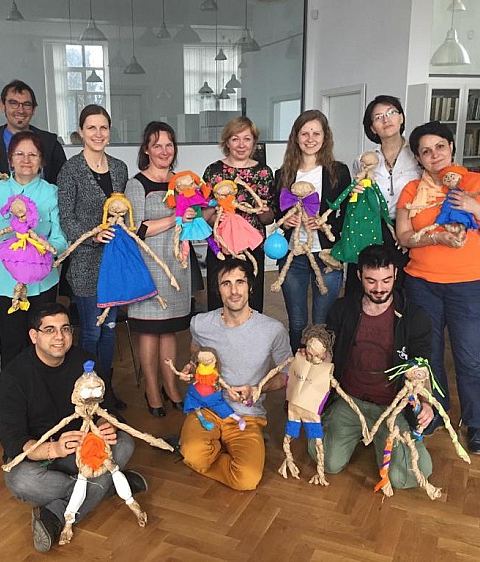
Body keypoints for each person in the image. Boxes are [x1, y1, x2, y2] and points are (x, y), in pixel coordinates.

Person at [0, 302, 146, 553]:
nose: (60, 337)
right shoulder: (13, 377)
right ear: (33, 336)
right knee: (19, 480)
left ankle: (55, 515)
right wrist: (54, 448)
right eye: (50, 330)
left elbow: (107, 407)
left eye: (65, 329)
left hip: (83, 449)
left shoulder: (86, 362)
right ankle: (109, 485)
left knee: (124, 443)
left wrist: (105, 424)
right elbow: (13, 441)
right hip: (42, 457)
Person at [396, 121, 480, 455]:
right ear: (418, 158)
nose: (435, 155)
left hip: (466, 287)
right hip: (421, 284)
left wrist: (477, 209)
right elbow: (403, 237)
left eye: (440, 147)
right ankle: (435, 412)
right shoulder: (412, 190)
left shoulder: (476, 183)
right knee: (428, 355)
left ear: (452, 147)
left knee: (468, 357)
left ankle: (474, 424)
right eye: (426, 151)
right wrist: (436, 237)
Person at [310, 244, 434, 488]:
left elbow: (422, 365)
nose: (379, 288)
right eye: (371, 281)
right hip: (349, 400)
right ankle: (355, 431)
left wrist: (425, 402)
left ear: (395, 274)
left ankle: (378, 435)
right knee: (328, 462)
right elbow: (327, 343)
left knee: (408, 476)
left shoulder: (414, 316)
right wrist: (317, 352)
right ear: (359, 276)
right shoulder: (343, 308)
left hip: (392, 407)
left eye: (386, 280)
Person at [179, 259, 291, 491]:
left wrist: (259, 389)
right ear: (217, 289)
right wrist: (192, 366)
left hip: (246, 415)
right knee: (192, 455)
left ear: (250, 286)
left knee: (247, 479)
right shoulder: (200, 323)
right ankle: (205, 447)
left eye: (240, 282)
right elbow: (195, 351)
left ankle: (213, 449)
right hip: (206, 408)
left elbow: (287, 374)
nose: (234, 291)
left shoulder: (272, 330)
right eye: (226, 284)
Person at [0, 130, 68, 370]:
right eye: (19, 154)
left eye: (33, 155)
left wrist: (47, 248)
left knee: (45, 347)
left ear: (41, 161)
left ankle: (43, 392)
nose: (26, 160)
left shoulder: (52, 192)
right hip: (3, 284)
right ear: (10, 159)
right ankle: (14, 393)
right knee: (12, 347)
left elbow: (60, 237)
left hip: (42, 283)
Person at [57, 104, 129, 408]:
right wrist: (92, 235)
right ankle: (88, 393)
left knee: (110, 330)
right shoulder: (70, 170)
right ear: (81, 132)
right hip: (86, 263)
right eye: (91, 128)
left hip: (113, 262)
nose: (98, 134)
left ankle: (106, 391)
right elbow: (66, 218)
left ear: (109, 131)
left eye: (103, 128)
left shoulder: (120, 168)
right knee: (91, 330)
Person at [125, 122, 190, 417]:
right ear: (147, 150)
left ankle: (171, 386)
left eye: (169, 145)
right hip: (149, 267)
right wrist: (176, 218)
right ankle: (152, 391)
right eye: (157, 145)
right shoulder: (136, 184)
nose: (164, 151)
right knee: (150, 332)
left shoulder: (182, 181)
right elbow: (135, 229)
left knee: (169, 332)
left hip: (177, 267)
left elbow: (192, 220)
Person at [274, 109, 351, 354]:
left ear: (325, 136)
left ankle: (322, 372)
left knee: (323, 323)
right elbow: (277, 212)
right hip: (293, 255)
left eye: (316, 133)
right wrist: (285, 223)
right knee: (297, 323)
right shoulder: (283, 174)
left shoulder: (338, 172)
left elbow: (347, 214)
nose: (310, 139)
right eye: (304, 133)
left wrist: (327, 226)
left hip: (327, 256)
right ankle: (297, 371)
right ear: (296, 137)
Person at [345, 95, 422, 295]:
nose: (386, 120)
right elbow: (359, 196)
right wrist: (354, 192)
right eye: (378, 117)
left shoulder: (418, 156)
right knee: (364, 284)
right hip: (371, 227)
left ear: (401, 118)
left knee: (400, 287)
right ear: (372, 128)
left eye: (391, 113)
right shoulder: (363, 160)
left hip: (407, 227)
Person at [202, 116, 275, 313]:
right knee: (219, 303)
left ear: (254, 142)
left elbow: (269, 219)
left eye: (247, 139)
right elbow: (203, 216)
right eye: (235, 139)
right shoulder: (213, 171)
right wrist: (216, 211)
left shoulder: (264, 172)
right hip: (221, 247)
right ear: (227, 142)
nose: (241, 145)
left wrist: (264, 211)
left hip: (252, 247)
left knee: (252, 303)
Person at [0, 80, 67, 199]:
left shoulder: (50, 144)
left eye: (26, 104)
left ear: (34, 109)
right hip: (1, 211)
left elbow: (66, 187)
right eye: (14, 103)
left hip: (44, 210)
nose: (20, 110)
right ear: (2, 105)